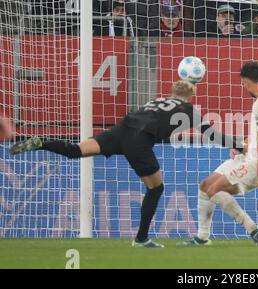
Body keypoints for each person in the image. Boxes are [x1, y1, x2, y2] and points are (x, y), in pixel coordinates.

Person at [9, 80, 243, 248]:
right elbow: (211, 135)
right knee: (156, 188)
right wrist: (238, 144)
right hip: (139, 139)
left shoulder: (157, 101)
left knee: (76, 150)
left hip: (121, 130)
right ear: (190, 95)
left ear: (171, 92)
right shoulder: (189, 110)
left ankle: (41, 143)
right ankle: (141, 239)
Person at [177, 61, 258, 247]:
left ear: (246, 81)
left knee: (214, 191)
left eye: (244, 84)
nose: (244, 88)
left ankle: (254, 230)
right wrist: (243, 144)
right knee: (205, 186)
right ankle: (202, 237)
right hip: (250, 156)